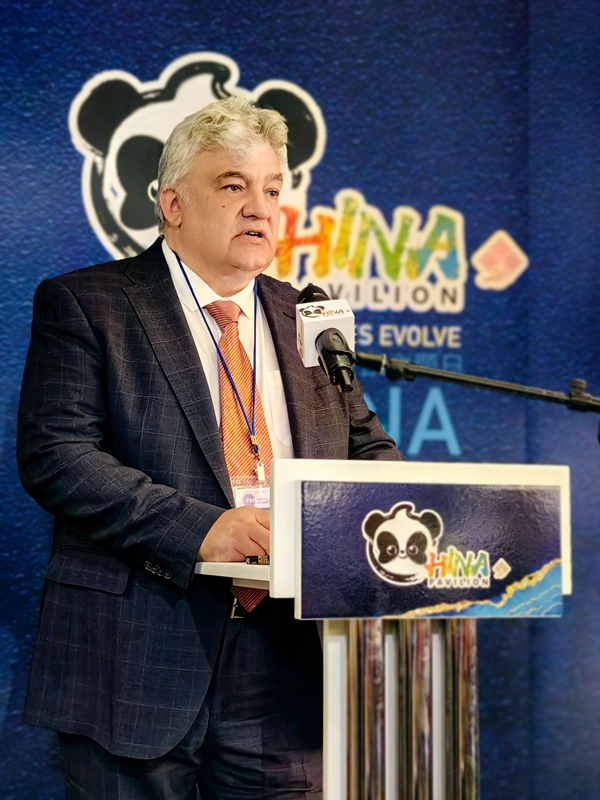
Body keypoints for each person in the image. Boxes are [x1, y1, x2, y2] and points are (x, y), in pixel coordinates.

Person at [17, 96, 401, 799]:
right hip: (137, 647)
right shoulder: (89, 304)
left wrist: (400, 510)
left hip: (287, 661)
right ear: (173, 204)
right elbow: (59, 456)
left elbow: (365, 445)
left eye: (273, 190)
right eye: (232, 186)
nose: (260, 209)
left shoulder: (307, 313)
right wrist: (203, 529)